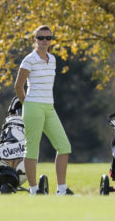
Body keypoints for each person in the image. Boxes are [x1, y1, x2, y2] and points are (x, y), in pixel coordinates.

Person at [14, 25, 73, 196]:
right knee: (32, 148)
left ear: (51, 40)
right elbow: (18, 86)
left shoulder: (52, 59)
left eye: (48, 38)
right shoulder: (29, 60)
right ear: (35, 39)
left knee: (64, 146)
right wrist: (27, 104)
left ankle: (61, 190)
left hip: (49, 107)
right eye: (41, 38)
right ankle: (34, 190)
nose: (44, 41)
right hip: (33, 106)